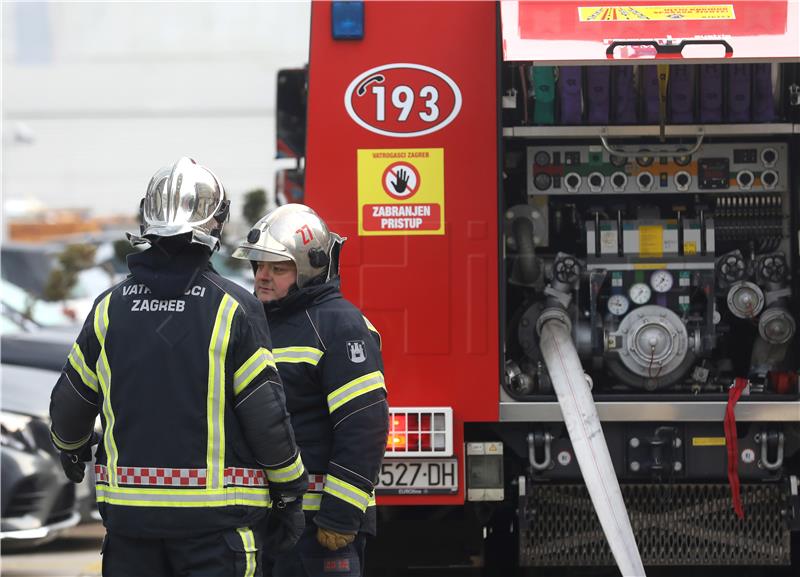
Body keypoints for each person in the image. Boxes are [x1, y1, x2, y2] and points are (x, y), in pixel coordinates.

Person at [49, 157, 307, 577]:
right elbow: (267, 419)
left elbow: (69, 404)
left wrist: (70, 446)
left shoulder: (109, 308)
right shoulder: (233, 309)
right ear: (216, 225)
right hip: (217, 532)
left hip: (131, 531)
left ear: (147, 220)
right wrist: (290, 490)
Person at [233, 204, 389, 577]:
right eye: (259, 265)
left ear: (309, 268)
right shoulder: (254, 321)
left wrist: (341, 515)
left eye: (278, 267)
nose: (262, 276)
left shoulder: (340, 324)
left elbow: (364, 424)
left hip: (320, 527)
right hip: (262, 523)